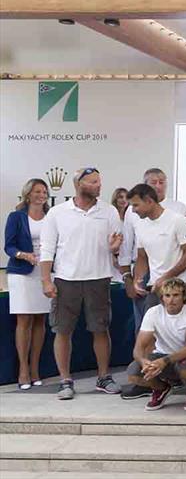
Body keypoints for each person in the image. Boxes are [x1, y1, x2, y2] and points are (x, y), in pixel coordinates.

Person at [39, 167, 123, 400]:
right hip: (66, 280)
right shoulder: (57, 213)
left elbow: (117, 247)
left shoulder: (109, 211)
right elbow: (46, 249)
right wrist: (46, 280)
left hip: (99, 278)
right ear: (79, 184)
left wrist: (115, 250)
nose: (98, 185)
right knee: (62, 330)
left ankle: (104, 377)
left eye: (99, 181)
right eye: (93, 182)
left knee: (100, 328)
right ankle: (65, 380)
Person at [119, 168, 186, 330]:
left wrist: (166, 277)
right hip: (151, 279)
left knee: (178, 330)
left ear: (149, 200)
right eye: (153, 182)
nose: (158, 186)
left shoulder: (178, 212)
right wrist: (134, 279)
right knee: (146, 329)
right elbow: (139, 254)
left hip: (178, 280)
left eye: (162, 182)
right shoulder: (139, 220)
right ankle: (143, 356)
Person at [126, 278, 186, 411]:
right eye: (167, 295)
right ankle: (161, 389)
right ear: (162, 297)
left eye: (176, 295)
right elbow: (138, 348)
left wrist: (165, 361)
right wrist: (143, 361)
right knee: (133, 373)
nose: (171, 300)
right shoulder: (153, 312)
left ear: (184, 296)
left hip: (185, 356)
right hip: (161, 356)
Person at [4, 178, 51, 389]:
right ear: (28, 194)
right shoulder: (16, 217)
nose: (41, 195)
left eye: (44, 192)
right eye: (37, 191)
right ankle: (23, 370)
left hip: (44, 273)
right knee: (24, 320)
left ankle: (35, 369)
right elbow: (9, 246)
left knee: (40, 320)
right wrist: (24, 255)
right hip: (21, 273)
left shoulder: (51, 216)